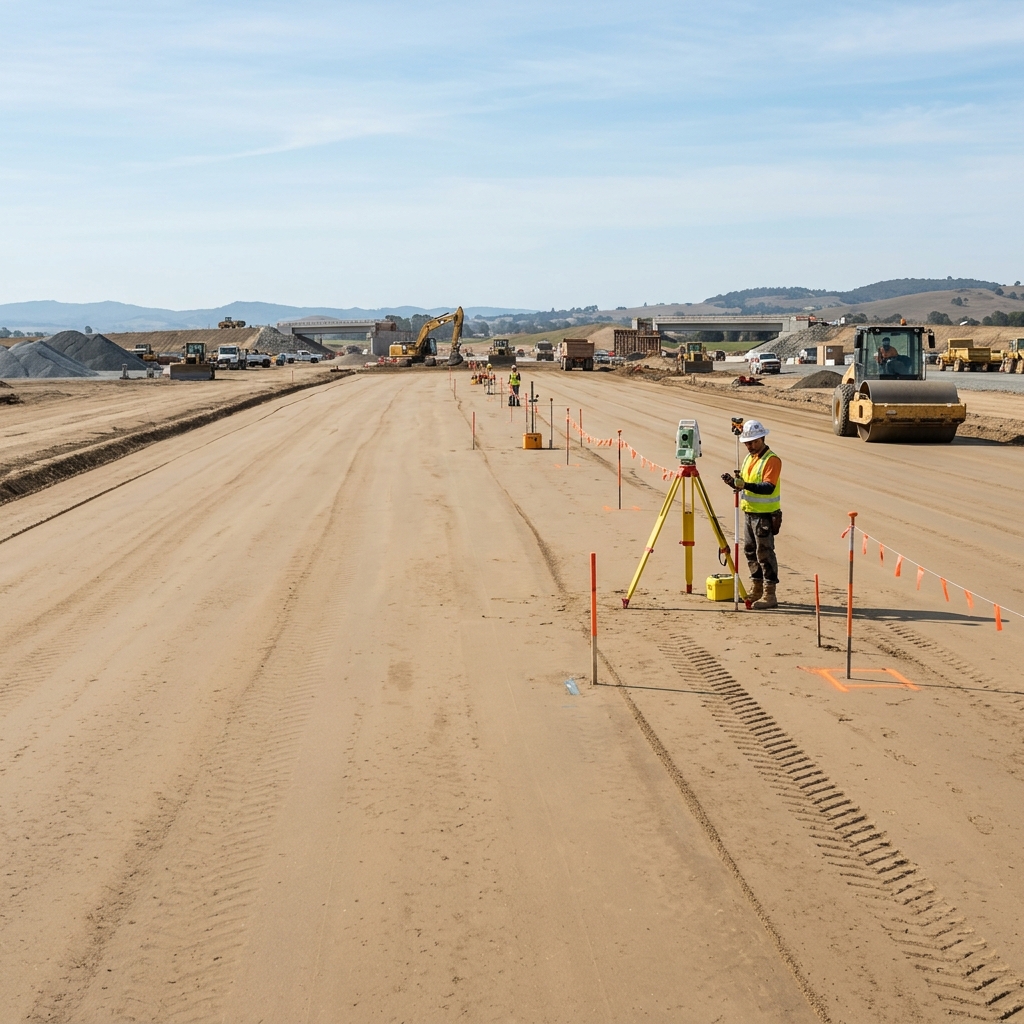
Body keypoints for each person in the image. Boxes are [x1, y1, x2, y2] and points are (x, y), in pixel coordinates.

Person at [721, 419, 781, 609]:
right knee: (749, 552)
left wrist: (744, 485)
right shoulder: (748, 458)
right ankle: (756, 589)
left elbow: (768, 488)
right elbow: (744, 483)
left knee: (765, 553)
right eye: (747, 442)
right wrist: (734, 482)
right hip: (748, 512)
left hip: (764, 515)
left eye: (754, 442)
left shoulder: (771, 459)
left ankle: (769, 594)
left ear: (762, 438)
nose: (750, 445)